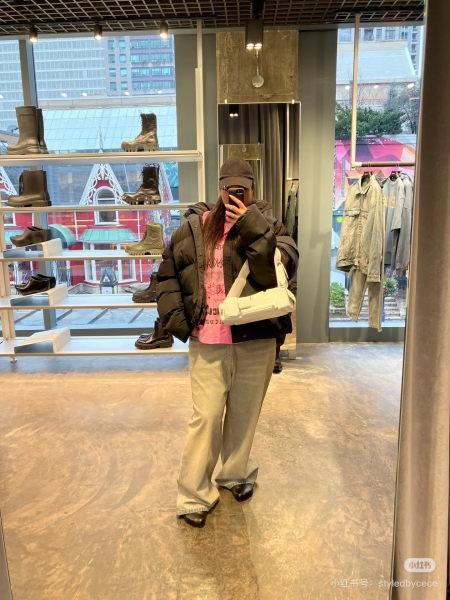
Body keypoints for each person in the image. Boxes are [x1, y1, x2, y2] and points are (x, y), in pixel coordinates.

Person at [156, 158, 298, 528]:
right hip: (207, 339)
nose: (234, 195)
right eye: (228, 188)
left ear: (252, 188)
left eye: (242, 189)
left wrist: (252, 225)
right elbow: (167, 273)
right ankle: (193, 494)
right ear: (219, 188)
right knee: (205, 417)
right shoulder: (194, 226)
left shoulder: (269, 224)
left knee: (244, 414)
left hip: (255, 337)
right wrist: (179, 322)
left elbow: (278, 271)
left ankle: (235, 474)